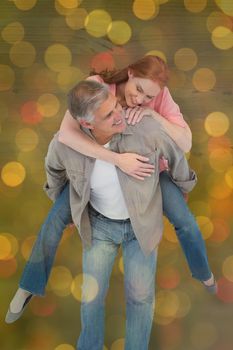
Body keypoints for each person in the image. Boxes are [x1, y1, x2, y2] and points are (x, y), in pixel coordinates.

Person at [6, 56, 216, 325]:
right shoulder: (96, 88)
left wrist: (154, 114)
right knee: (56, 217)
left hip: (146, 170)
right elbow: (66, 136)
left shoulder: (157, 97)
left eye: (148, 96)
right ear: (129, 73)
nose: (140, 99)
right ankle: (29, 285)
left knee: (184, 219)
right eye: (138, 90)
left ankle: (204, 274)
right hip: (94, 167)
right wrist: (117, 161)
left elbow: (184, 143)